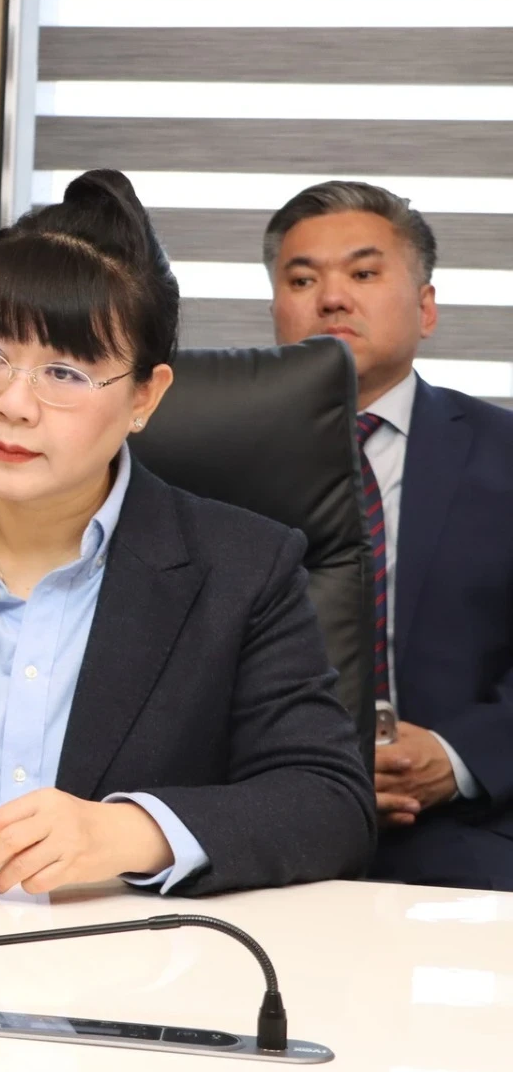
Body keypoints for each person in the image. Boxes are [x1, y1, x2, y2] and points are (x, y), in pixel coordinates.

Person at [0, 169, 374, 901]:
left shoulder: (243, 570)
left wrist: (133, 832)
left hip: (127, 953)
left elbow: (328, 798)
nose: (13, 404)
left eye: (64, 372)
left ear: (145, 396)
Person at [266, 181, 513, 891]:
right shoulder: (215, 464)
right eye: (302, 280)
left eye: (364, 273)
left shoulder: (504, 453)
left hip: (473, 832)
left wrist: (457, 757)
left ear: (426, 308)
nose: (331, 298)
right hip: (270, 829)